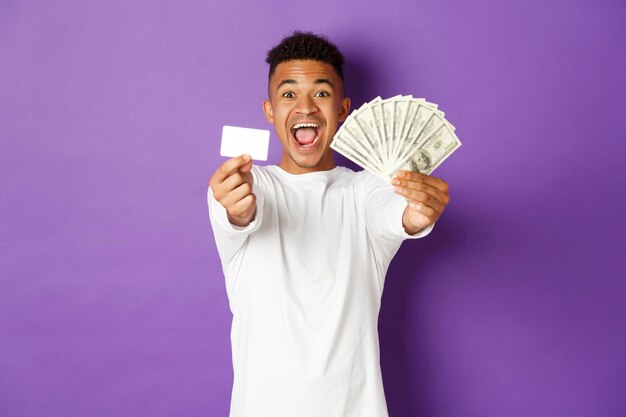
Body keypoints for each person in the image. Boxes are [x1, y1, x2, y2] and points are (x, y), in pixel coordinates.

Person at [207, 31, 450, 417]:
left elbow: (394, 215)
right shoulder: (248, 186)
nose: (305, 107)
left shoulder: (366, 189)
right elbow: (239, 214)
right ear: (270, 111)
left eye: (321, 93)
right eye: (289, 94)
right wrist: (237, 209)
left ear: (343, 109)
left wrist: (416, 215)